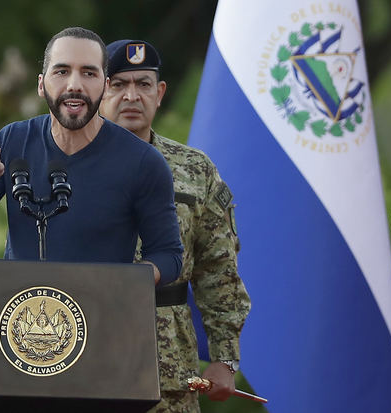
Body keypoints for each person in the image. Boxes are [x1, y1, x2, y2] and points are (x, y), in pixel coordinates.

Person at [0, 28, 183, 289]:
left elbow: (168, 256)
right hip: (22, 319)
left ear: (105, 85)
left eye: (89, 73)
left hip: (101, 316)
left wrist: (117, 283)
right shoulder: (13, 140)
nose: (74, 85)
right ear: (41, 85)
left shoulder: (143, 161)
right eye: (62, 71)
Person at [100, 39, 251, 413]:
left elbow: (219, 268)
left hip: (166, 363)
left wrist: (224, 357)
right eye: (118, 85)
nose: (131, 96)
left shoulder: (194, 170)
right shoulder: (67, 163)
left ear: (160, 92)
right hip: (87, 350)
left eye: (143, 84)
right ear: (99, 91)